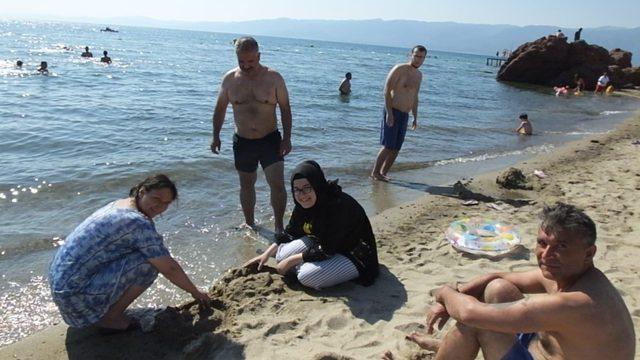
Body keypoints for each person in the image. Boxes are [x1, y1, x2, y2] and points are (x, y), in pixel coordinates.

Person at [382, 202, 635, 360]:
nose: (546, 255)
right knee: (498, 290)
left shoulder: (580, 303)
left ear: (589, 253)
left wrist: (445, 294)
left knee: (479, 322)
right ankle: (448, 348)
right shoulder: (569, 274)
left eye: (561, 246)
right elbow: (498, 276)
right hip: (541, 349)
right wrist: (459, 293)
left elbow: (470, 313)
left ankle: (450, 350)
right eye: (542, 243)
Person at [48, 174, 211, 333]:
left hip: (63, 291)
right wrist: (195, 292)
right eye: (156, 199)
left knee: (146, 254)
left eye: (166, 203)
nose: (160, 207)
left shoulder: (120, 204)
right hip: (76, 302)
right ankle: (110, 318)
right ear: (142, 192)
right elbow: (169, 268)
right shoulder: (137, 222)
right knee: (149, 264)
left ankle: (105, 311)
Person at [245, 160, 379, 289]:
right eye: (296, 189)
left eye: (307, 188)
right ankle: (304, 264)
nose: (302, 195)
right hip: (323, 242)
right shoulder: (303, 204)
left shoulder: (337, 205)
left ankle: (307, 267)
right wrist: (266, 254)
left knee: (306, 276)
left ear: (317, 185)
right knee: (281, 256)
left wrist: (291, 262)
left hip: (353, 253)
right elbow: (290, 232)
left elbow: (328, 249)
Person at [210, 36, 292, 235]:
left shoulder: (274, 78)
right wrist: (215, 136)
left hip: (270, 139)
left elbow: (285, 108)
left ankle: (279, 226)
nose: (246, 66)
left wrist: (287, 138)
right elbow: (220, 109)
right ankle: (250, 223)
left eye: (251, 61)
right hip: (243, 141)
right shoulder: (230, 79)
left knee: (277, 184)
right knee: (246, 185)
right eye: (241, 62)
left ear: (259, 56)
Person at [371, 45, 426, 181]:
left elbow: (415, 97)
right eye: (417, 56)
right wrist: (389, 112)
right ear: (411, 55)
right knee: (388, 145)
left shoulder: (419, 75)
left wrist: (415, 116)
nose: (419, 60)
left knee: (396, 148)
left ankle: (384, 173)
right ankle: (375, 173)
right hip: (393, 111)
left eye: (422, 57)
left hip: (405, 114)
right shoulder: (399, 69)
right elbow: (386, 90)